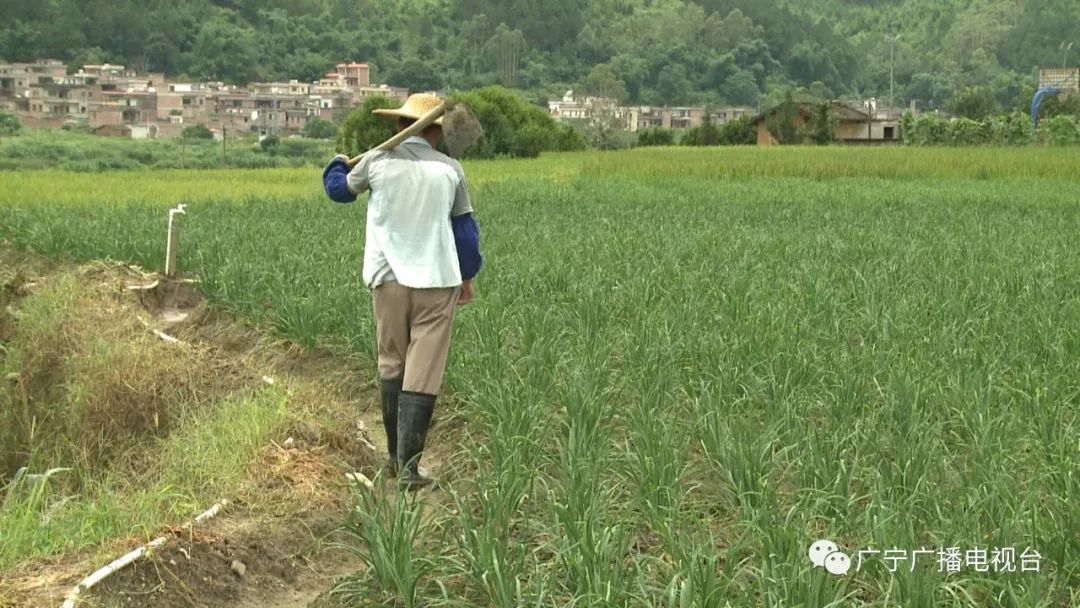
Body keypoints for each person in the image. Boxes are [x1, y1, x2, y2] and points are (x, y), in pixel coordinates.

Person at [321, 93, 483, 489]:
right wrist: (467, 275)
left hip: (388, 279)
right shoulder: (450, 170)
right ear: (437, 131)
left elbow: (339, 191)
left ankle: (394, 458)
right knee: (422, 372)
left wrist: (336, 165)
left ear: (401, 126)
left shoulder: (376, 163)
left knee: (391, 364)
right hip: (436, 281)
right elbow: (465, 233)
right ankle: (409, 469)